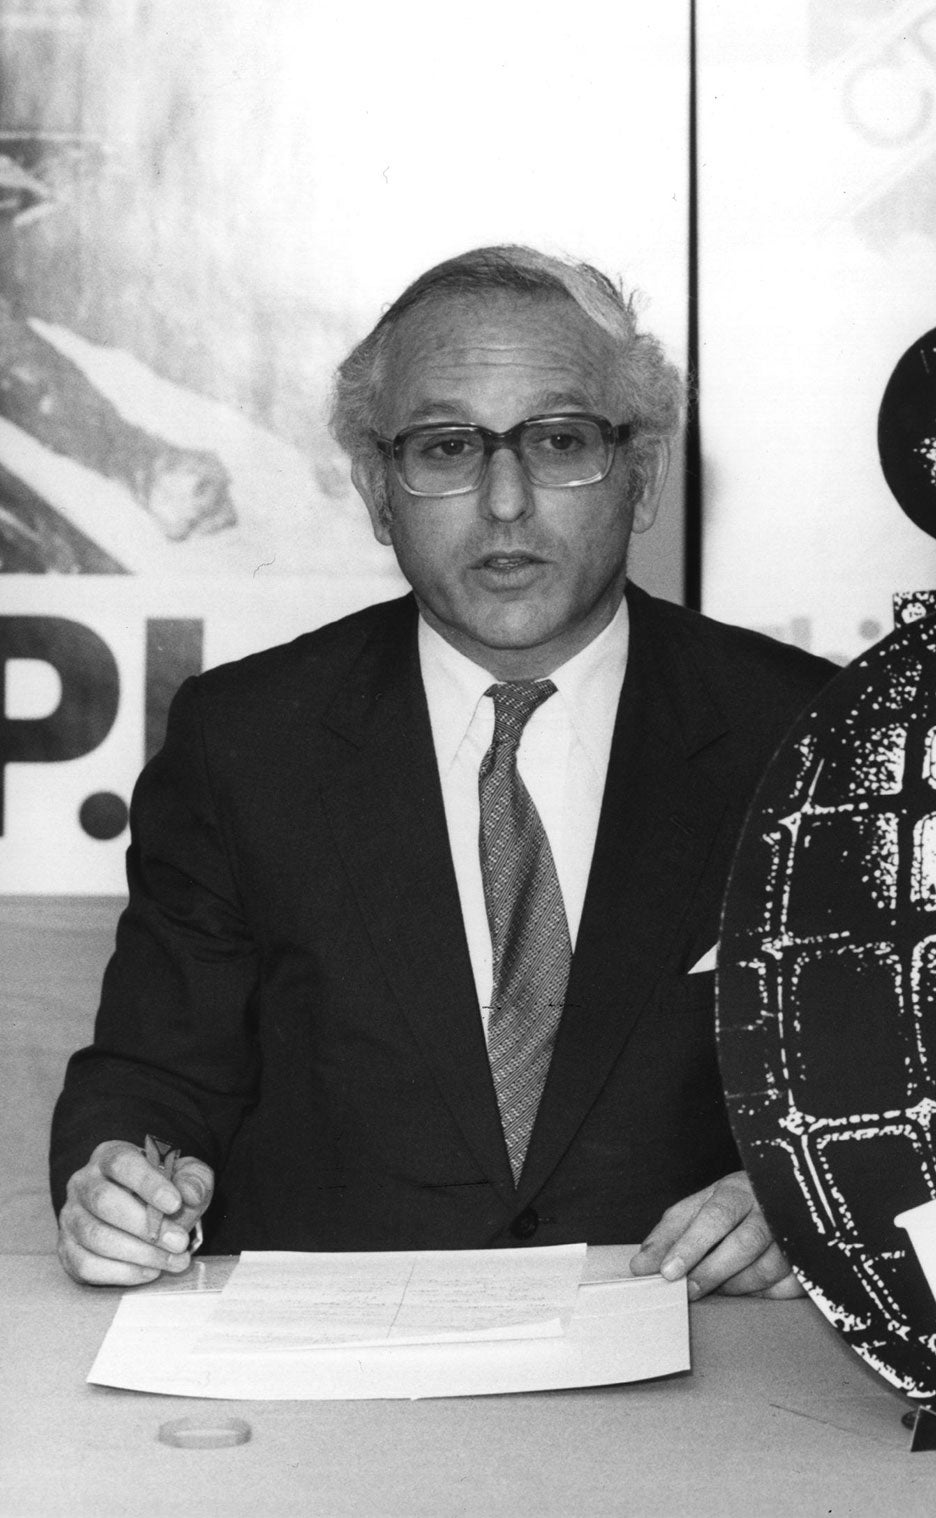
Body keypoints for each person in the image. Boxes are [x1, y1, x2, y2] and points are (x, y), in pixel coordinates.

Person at [49, 247, 835, 1291]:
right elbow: (152, 1077)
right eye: (446, 447)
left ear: (640, 476)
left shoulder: (807, 734)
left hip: (707, 1373)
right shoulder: (246, 739)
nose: (505, 501)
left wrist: (806, 1197)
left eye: (559, 441)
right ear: (378, 493)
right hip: (336, 1398)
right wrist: (121, 1180)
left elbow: (906, 1078)